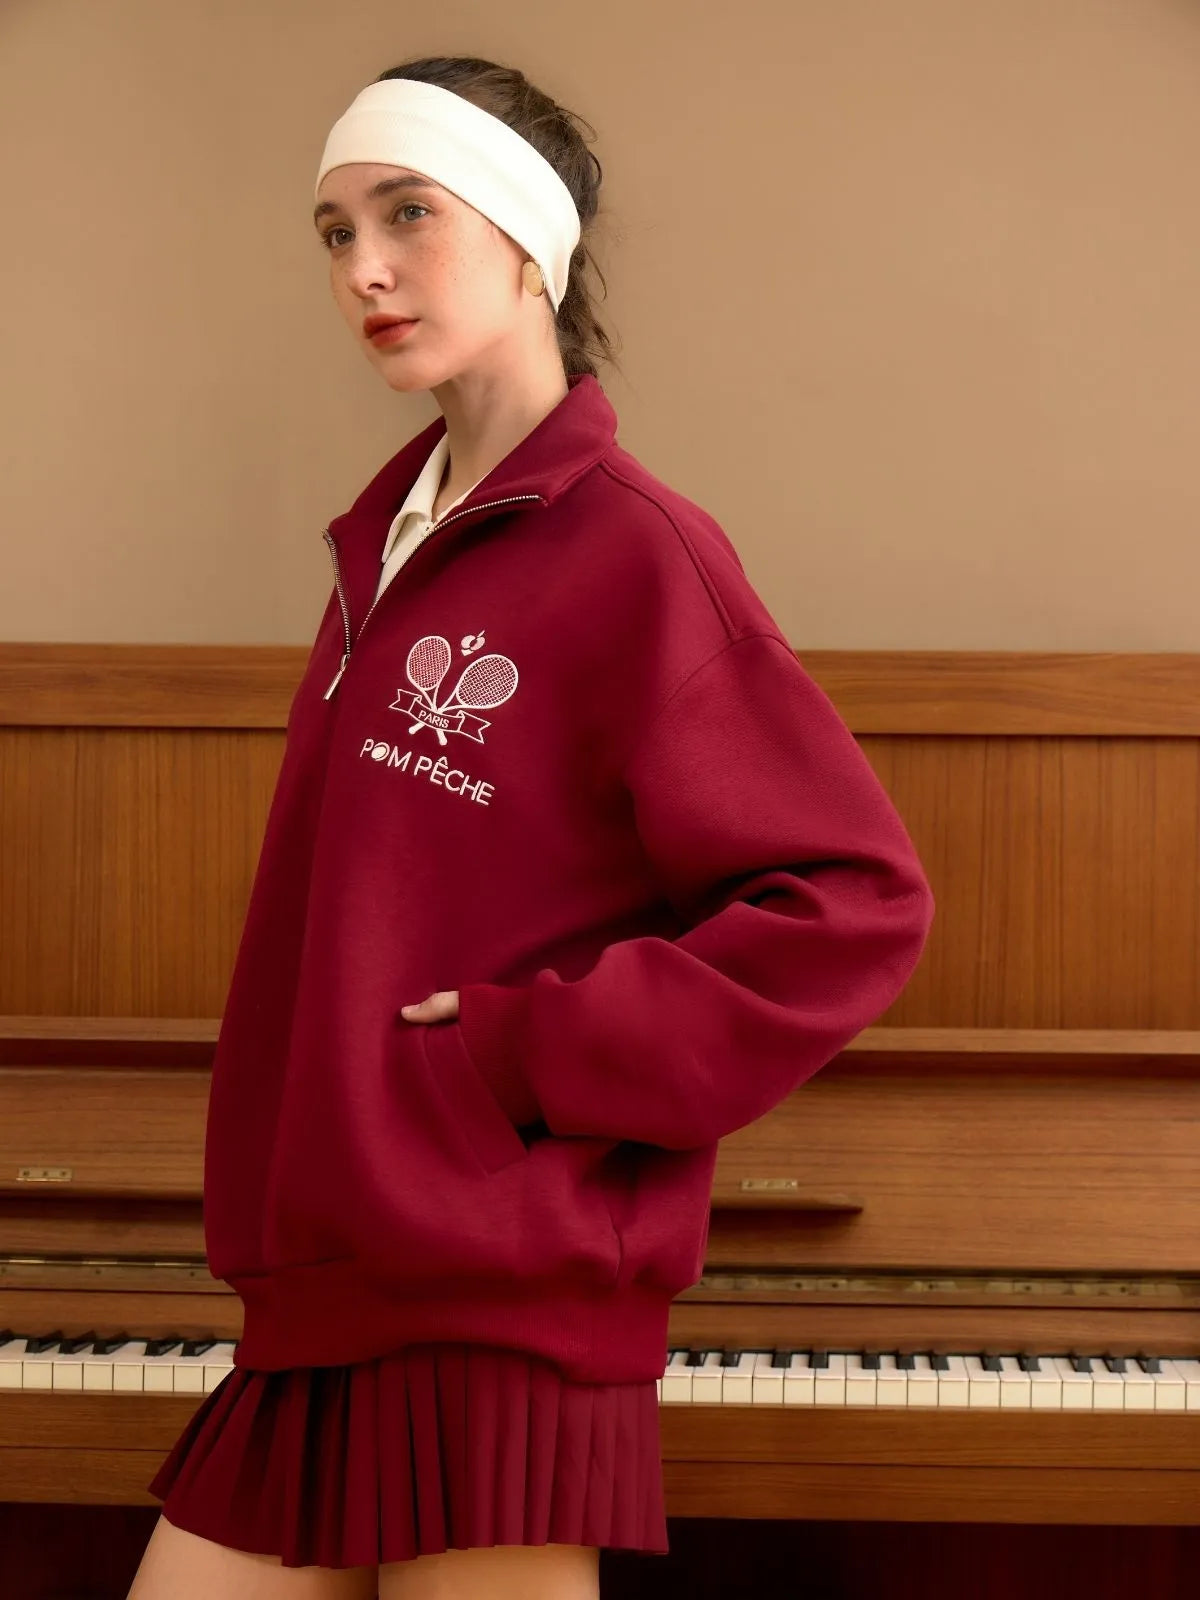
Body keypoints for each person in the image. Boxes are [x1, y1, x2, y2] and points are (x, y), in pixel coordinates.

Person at [128, 54, 936, 1600]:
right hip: (330, 1284)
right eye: (333, 230)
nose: (363, 268)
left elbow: (855, 900)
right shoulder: (393, 542)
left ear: (526, 235)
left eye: (408, 214)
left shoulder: (639, 557)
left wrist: (519, 1056)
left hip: (501, 1297)